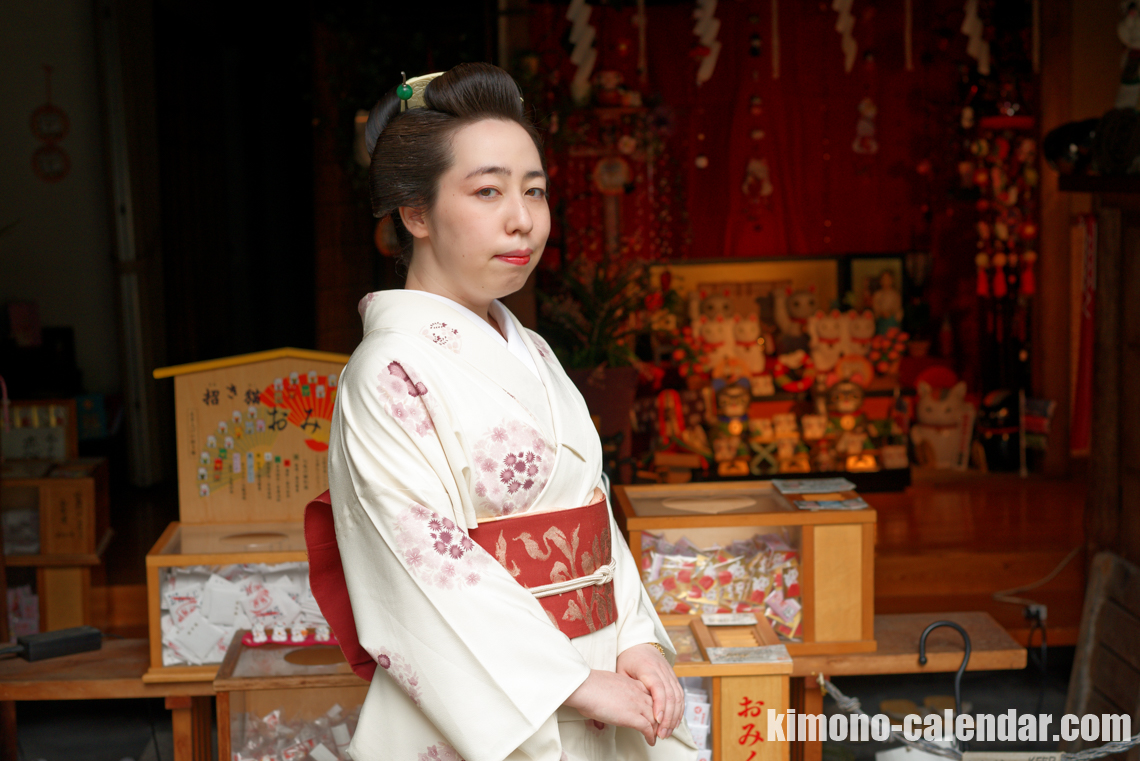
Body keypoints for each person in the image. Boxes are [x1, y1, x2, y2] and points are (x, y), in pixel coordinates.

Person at [327, 62, 698, 761]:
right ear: (415, 213)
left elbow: (591, 511)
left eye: (534, 191)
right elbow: (422, 567)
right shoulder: (386, 374)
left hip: (597, 671)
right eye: (488, 191)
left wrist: (635, 640)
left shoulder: (529, 348)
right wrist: (572, 682)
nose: (522, 217)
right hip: (496, 699)